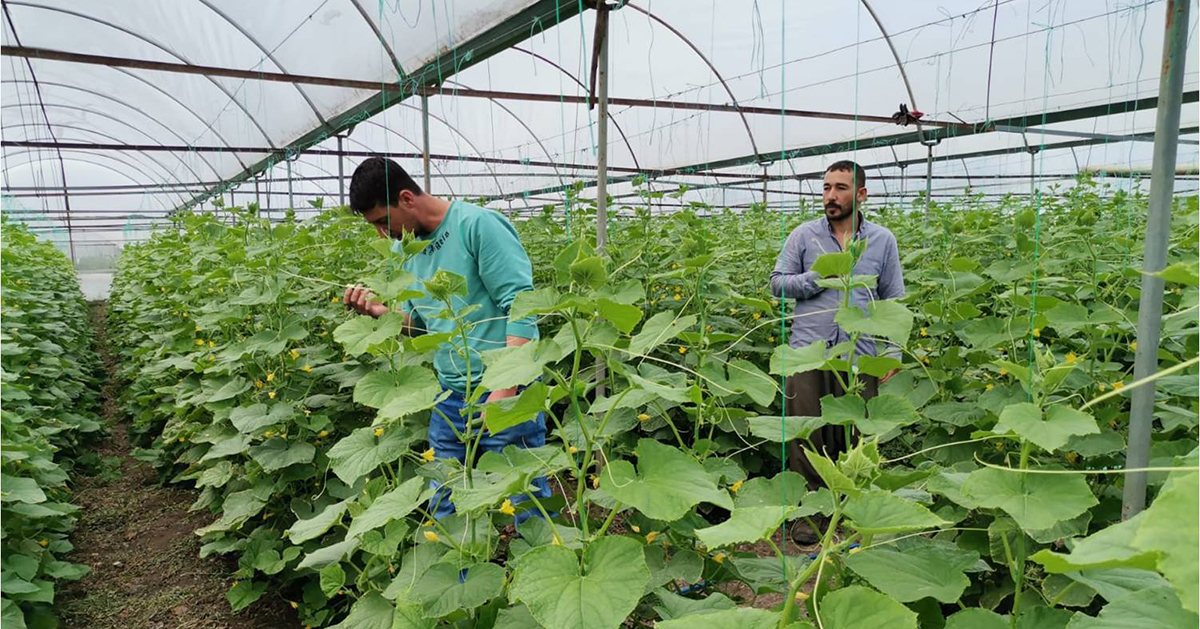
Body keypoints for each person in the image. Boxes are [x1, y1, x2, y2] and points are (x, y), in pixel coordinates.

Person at [342, 157, 550, 521]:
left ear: (406, 198)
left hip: (504, 389)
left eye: (382, 222)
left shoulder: (478, 226)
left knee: (525, 500)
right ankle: (459, 576)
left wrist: (504, 391)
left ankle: (538, 571)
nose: (382, 234)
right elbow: (421, 328)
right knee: (444, 500)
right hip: (450, 394)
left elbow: (522, 308)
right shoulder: (403, 251)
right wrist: (378, 313)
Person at [769, 160, 905, 544]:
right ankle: (809, 515)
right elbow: (777, 284)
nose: (831, 195)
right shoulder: (803, 236)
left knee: (856, 434)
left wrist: (892, 351)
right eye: (827, 187)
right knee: (806, 433)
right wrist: (816, 279)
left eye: (841, 188)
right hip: (807, 352)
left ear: (861, 194)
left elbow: (893, 299)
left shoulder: (882, 240)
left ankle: (852, 509)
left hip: (859, 353)